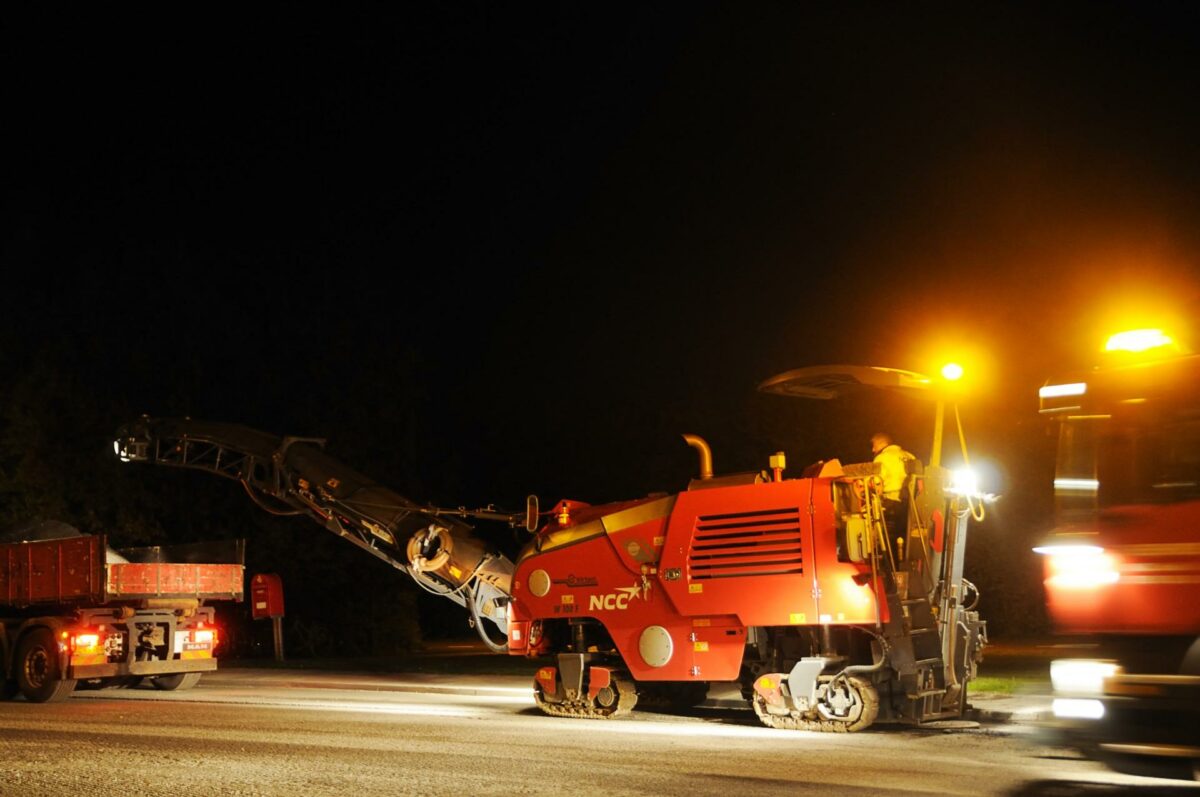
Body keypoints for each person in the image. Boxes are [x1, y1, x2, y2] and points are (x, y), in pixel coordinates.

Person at [870, 432, 915, 562]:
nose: (873, 450)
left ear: (881, 443)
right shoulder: (909, 456)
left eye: (874, 446)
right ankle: (904, 562)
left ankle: (889, 564)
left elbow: (876, 481)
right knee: (904, 536)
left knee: (887, 538)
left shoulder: (882, 458)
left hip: (889, 502)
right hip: (909, 503)